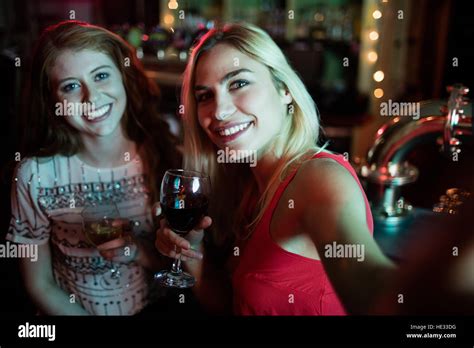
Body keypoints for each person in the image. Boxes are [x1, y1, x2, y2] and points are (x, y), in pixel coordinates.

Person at [155, 22, 396, 315]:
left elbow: (369, 281)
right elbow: (230, 305)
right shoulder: (247, 187)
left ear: (284, 89)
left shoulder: (318, 177)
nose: (219, 111)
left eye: (238, 83)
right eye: (205, 96)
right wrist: (192, 251)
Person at [7, 20, 180, 315]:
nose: (92, 97)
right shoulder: (34, 175)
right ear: (52, 101)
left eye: (101, 75)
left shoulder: (164, 152)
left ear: (123, 77)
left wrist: (135, 251)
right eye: (71, 86)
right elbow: (39, 284)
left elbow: (180, 266)